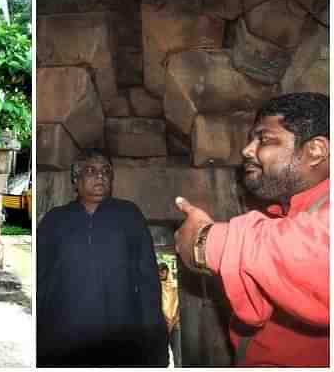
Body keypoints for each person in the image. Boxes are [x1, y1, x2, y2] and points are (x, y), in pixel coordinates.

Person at [173, 92, 329, 367]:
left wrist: (206, 241)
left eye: (264, 139)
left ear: (315, 150)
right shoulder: (282, 216)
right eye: (251, 140)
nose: (247, 150)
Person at [37, 148, 168, 367]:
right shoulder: (55, 220)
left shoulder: (129, 215)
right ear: (76, 180)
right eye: (91, 170)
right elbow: (41, 278)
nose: (100, 176)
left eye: (106, 171)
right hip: (64, 336)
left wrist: (154, 335)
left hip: (121, 334)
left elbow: (147, 279)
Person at [159, 263, 181, 367]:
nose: (161, 273)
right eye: (159, 271)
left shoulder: (175, 286)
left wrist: (172, 322)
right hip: (162, 325)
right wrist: (165, 319)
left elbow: (179, 306)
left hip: (175, 324)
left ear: (167, 271)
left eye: (163, 271)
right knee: (162, 356)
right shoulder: (157, 287)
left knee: (177, 355)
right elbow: (157, 304)